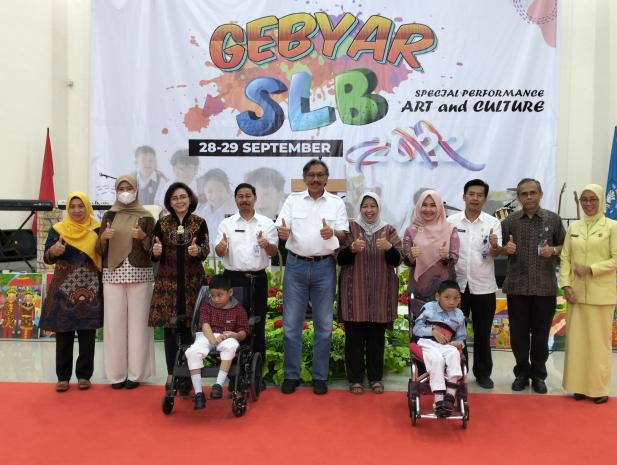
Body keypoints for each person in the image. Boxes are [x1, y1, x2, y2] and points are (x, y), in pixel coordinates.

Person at [275, 159, 349, 395]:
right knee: (291, 325)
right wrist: (282, 232)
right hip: (295, 266)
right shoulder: (293, 200)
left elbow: (344, 235)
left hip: (324, 267)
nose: (315, 179)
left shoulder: (336, 203)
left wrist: (333, 232)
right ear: (304, 178)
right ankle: (291, 374)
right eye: (311, 175)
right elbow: (282, 228)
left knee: (324, 325)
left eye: (320, 175)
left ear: (326, 178)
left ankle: (319, 376)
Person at [500, 178, 565, 394]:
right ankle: (521, 373)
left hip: (544, 287)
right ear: (518, 197)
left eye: (533, 193)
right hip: (517, 287)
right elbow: (496, 248)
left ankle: (538, 375)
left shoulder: (553, 219)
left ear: (540, 194)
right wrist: (504, 249)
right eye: (524, 194)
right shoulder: (509, 221)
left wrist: (553, 251)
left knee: (540, 335)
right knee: (518, 335)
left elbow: (565, 246)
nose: (529, 197)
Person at [337, 192, 402, 394]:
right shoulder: (350, 228)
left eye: (373, 206)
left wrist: (389, 247)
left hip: (380, 293)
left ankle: (375, 378)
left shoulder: (388, 229)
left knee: (376, 340)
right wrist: (352, 249)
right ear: (360, 208)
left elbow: (398, 260)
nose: (369, 210)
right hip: (354, 293)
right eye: (365, 206)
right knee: (354, 339)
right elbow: (338, 258)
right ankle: (355, 379)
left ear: (379, 208)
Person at [39, 192, 103, 392]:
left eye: (81, 206)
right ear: (68, 208)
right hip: (63, 289)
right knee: (63, 332)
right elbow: (47, 257)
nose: (77, 210)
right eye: (72, 206)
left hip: (89, 287)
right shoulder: (58, 229)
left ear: (87, 207)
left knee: (87, 333)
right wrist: (53, 251)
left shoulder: (97, 228)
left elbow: (104, 254)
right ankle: (63, 377)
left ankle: (84, 375)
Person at [559, 184, 617, 404]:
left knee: (598, 345)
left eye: (593, 199)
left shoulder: (612, 226)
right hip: (576, 294)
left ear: (601, 201)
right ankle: (578, 386)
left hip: (601, 296)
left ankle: (599, 389)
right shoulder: (574, 227)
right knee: (577, 344)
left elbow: (616, 259)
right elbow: (565, 258)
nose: (588, 204)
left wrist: (592, 269)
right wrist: (566, 285)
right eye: (584, 199)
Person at [97, 175, 156, 389]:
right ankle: (116, 375)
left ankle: (136, 374)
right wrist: (103, 238)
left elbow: (155, 249)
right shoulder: (109, 215)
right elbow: (98, 249)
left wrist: (143, 237)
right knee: (113, 325)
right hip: (112, 273)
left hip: (140, 274)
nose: (124, 192)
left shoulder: (146, 216)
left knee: (139, 325)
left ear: (136, 190)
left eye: (128, 188)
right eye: (121, 188)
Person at [148, 182, 209, 391]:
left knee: (192, 329)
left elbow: (205, 248)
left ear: (190, 199)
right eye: (174, 198)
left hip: (192, 282)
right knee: (170, 330)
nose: (179, 201)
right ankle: (172, 373)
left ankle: (191, 374)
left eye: (183, 197)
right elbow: (153, 250)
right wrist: (155, 252)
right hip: (168, 284)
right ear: (169, 202)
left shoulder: (199, 222)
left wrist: (198, 251)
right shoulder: (162, 223)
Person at [215, 183, 278, 382]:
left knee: (257, 325)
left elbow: (274, 252)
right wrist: (221, 247)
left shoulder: (266, 223)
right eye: (240, 196)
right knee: (232, 325)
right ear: (235, 199)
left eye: (248, 196)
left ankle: (257, 375)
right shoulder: (227, 223)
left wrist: (266, 244)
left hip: (257, 279)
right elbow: (218, 251)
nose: (244, 199)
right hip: (232, 281)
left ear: (255, 198)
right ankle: (234, 374)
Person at [447, 179, 501, 389]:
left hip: (484, 285)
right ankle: (458, 372)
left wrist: (495, 247)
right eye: (471, 194)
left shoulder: (493, 223)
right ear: (464, 196)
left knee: (482, 332)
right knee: (455, 332)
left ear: (485, 199)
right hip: (456, 287)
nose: (475, 198)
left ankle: (483, 373)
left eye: (479, 195)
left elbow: (495, 252)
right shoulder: (451, 222)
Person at [184, 274, 248, 409]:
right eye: (213, 295)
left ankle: (218, 385)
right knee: (192, 352)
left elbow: (243, 332)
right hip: (206, 335)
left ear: (230, 292)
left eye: (220, 295)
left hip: (227, 336)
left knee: (231, 346)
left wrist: (235, 335)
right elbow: (205, 325)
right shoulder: (207, 305)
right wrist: (213, 340)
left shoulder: (238, 309)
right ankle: (199, 393)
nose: (216, 299)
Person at [412, 280, 466, 418]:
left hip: (446, 345)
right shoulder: (429, 308)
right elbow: (416, 329)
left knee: (454, 354)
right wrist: (432, 331)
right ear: (438, 296)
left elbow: (461, 338)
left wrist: (458, 344)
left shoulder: (459, 314)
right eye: (447, 297)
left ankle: (449, 398)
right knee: (437, 359)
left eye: (456, 298)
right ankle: (439, 401)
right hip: (428, 342)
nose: (452, 302)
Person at [402, 189, 460, 313]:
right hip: (418, 291)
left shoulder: (450, 229)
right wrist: (411, 256)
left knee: (445, 325)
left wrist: (447, 256)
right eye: (424, 205)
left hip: (445, 292)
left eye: (433, 205)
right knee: (419, 324)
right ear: (418, 206)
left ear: (439, 207)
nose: (428, 209)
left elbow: (454, 257)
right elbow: (406, 259)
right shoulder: (411, 230)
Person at [196, 168, 237, 252]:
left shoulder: (236, 210)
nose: (215, 196)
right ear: (204, 192)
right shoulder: (201, 211)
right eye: (209, 191)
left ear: (227, 189)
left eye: (220, 191)